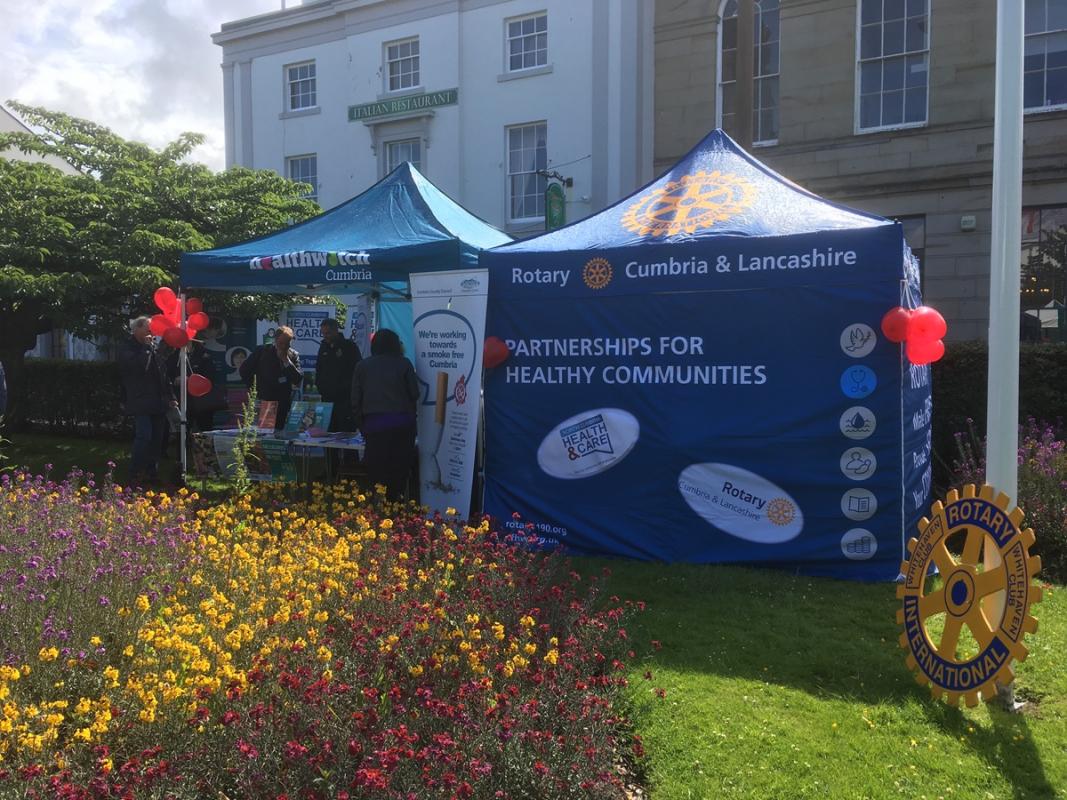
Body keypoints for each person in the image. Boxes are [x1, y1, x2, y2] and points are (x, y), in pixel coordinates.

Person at [350, 328, 419, 500]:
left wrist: (362, 425)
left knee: (377, 472)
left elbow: (355, 400)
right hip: (403, 425)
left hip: (374, 425)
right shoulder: (404, 364)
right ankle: (397, 503)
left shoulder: (362, 366)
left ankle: (379, 507)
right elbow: (415, 393)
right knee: (399, 470)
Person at [118, 316, 176, 484]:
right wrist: (145, 348)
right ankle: (135, 472)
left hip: (158, 402)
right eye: (147, 328)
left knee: (157, 439)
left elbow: (163, 374)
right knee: (144, 436)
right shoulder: (128, 348)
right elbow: (139, 368)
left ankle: (152, 472)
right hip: (140, 400)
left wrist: (171, 396)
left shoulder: (152, 348)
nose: (151, 332)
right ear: (136, 329)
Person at [240, 326, 302, 430]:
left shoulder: (293, 355)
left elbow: (298, 379)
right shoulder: (262, 351)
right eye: (281, 343)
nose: (284, 346)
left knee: (279, 432)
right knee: (265, 433)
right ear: (275, 340)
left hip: (283, 402)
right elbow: (244, 370)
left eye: (287, 343)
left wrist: (286, 361)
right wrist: (254, 389)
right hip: (265, 399)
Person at [315, 318, 362, 431]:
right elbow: (319, 369)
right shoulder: (323, 347)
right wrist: (320, 387)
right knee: (327, 433)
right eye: (323, 333)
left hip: (345, 401)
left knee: (346, 435)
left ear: (336, 330)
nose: (325, 336)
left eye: (328, 333)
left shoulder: (349, 346)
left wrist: (348, 389)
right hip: (327, 400)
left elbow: (358, 371)